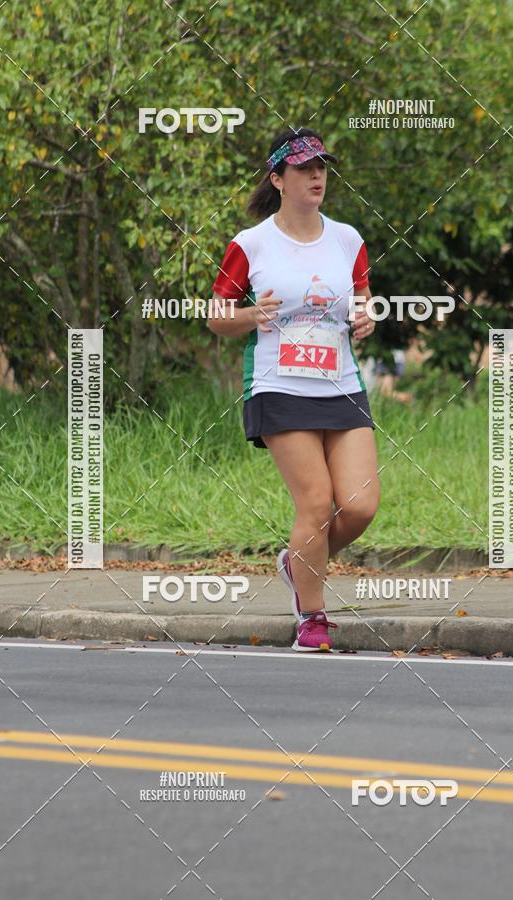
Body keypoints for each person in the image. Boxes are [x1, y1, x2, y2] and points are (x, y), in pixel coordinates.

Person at [208, 127, 380, 652]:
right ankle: (313, 617)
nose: (316, 176)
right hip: (278, 385)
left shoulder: (348, 239)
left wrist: (365, 317)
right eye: (304, 168)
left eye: (321, 167)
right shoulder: (250, 244)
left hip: (341, 384)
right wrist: (249, 315)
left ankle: (296, 561)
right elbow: (217, 317)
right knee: (315, 502)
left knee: (359, 506)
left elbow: (363, 297)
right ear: (277, 179)